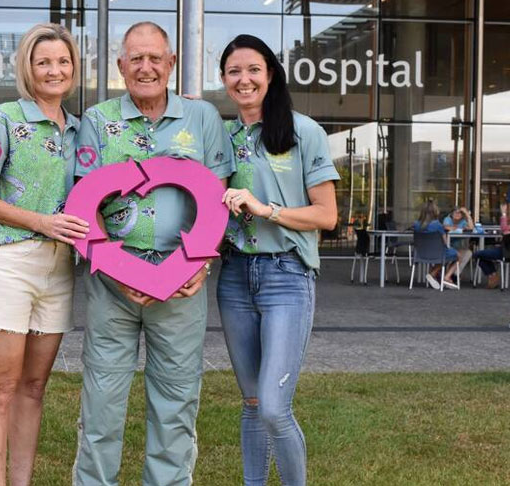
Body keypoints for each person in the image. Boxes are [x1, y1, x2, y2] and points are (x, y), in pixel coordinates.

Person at [72, 21, 234, 486]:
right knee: (101, 403)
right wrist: (119, 271)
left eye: (155, 58)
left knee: (176, 403)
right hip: (112, 283)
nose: (146, 68)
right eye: (136, 59)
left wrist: (202, 262)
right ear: (121, 66)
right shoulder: (98, 121)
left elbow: (218, 196)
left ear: (172, 63)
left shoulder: (203, 120)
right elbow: (84, 203)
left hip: (182, 282)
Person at [0, 23, 89, 486]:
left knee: (34, 388)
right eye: (44, 62)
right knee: (0, 389)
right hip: (10, 261)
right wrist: (42, 221)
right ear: (28, 69)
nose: (54, 70)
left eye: (63, 62)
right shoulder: (6, 118)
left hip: (59, 269)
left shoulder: (80, 129)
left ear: (73, 68)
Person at [214, 34, 339, 486]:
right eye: (233, 72)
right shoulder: (224, 137)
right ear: (224, 80)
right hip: (234, 277)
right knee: (251, 403)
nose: (243, 80)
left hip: (286, 275)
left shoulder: (303, 131)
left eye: (253, 70)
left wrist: (266, 209)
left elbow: (327, 216)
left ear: (270, 76)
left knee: (273, 405)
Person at [412, 200, 460, 290]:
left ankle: (433, 274)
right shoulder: (438, 225)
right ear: (435, 212)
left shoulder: (416, 225)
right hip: (438, 254)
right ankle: (444, 276)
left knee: (442, 256)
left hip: (420, 253)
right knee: (457, 255)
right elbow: (445, 243)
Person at [473, 202, 509, 288]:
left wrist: (503, 214)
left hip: (504, 252)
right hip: (505, 250)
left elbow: (504, 229)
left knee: (476, 254)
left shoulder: (506, 223)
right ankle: (493, 275)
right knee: (483, 255)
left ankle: (492, 275)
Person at [443, 206, 474, 281]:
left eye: (460, 213)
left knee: (469, 253)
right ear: (451, 214)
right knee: (458, 254)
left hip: (458, 247)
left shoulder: (463, 221)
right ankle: (450, 274)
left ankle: (454, 274)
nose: (457, 214)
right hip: (446, 246)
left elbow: (471, 228)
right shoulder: (448, 219)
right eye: (456, 212)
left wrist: (467, 214)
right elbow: (446, 227)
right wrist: (461, 229)